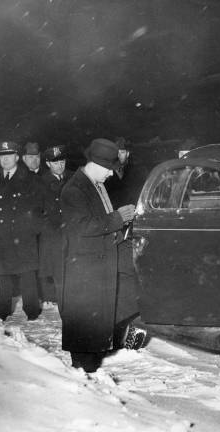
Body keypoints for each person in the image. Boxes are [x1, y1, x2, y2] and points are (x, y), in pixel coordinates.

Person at [59, 138, 146, 372]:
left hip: (100, 262)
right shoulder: (75, 190)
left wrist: (120, 231)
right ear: (96, 164)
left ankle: (94, 366)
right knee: (85, 330)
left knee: (103, 318)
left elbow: (101, 223)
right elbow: (82, 226)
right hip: (86, 268)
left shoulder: (96, 184)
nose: (110, 175)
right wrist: (118, 218)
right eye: (109, 169)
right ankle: (83, 377)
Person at [0, 141, 42, 321]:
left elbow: (38, 208)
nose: (5, 160)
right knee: (3, 278)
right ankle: (3, 311)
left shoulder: (29, 180)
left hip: (23, 238)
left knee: (27, 276)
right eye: (2, 156)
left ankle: (32, 312)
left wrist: (31, 230)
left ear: (16, 157)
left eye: (9, 156)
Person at [38, 145, 73, 308]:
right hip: (51, 233)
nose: (60, 165)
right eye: (55, 162)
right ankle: (52, 300)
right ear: (47, 164)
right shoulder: (40, 183)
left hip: (73, 231)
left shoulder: (74, 179)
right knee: (53, 268)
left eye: (62, 161)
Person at [106, 137, 149, 208]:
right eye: (116, 152)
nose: (119, 155)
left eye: (122, 152)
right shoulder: (107, 171)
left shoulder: (138, 170)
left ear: (127, 154)